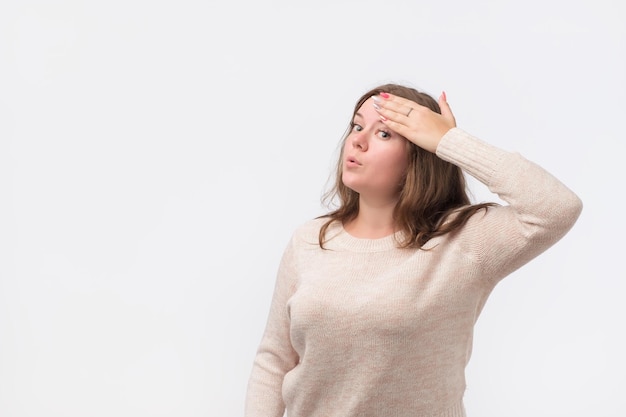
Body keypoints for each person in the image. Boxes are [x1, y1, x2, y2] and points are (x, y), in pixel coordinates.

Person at [244, 83, 583, 417]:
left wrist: (450, 142)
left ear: (421, 156)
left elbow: (556, 209)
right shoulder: (310, 239)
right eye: (358, 126)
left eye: (384, 134)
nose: (358, 141)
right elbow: (274, 360)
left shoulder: (462, 241)